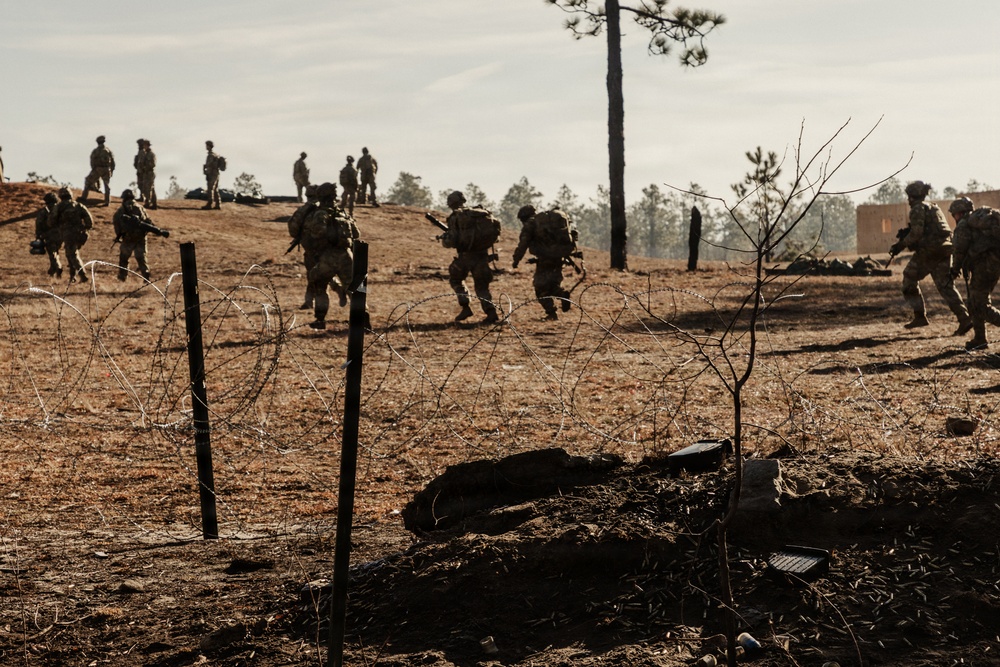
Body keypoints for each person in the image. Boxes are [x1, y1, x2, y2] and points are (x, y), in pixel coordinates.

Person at [891, 180, 971, 334]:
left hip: (929, 251)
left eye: (909, 197)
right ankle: (965, 319)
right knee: (946, 286)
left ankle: (919, 316)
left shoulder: (917, 209)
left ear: (913, 197)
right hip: (944, 250)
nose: (908, 200)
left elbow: (917, 233)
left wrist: (899, 246)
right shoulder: (934, 207)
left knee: (909, 276)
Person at [300, 182, 361, 330]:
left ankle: (320, 319)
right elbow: (357, 234)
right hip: (346, 255)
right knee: (354, 288)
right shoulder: (343, 213)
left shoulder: (321, 214)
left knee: (319, 284)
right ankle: (362, 317)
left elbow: (316, 234)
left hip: (327, 256)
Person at [441, 190, 500, 324]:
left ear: (451, 204)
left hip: (465, 257)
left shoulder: (455, 217)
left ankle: (465, 306)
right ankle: (491, 313)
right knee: (482, 287)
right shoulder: (480, 214)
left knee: (456, 279)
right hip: (482, 256)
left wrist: (445, 239)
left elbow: (452, 242)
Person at [949, 197, 1000, 350]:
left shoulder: (964, 225)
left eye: (954, 214)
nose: (954, 218)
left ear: (959, 213)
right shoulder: (978, 223)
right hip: (991, 264)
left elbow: (959, 250)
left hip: (984, 266)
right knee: (975, 301)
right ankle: (979, 339)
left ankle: (980, 338)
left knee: (979, 304)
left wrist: (954, 269)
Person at [512, 205, 579, 320]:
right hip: (559, 257)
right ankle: (561, 295)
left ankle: (552, 312)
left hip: (545, 259)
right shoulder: (547, 221)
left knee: (540, 288)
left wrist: (516, 259)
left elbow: (523, 244)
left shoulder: (531, 224)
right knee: (552, 284)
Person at [113, 189, 166, 282]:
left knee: (124, 258)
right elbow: (148, 221)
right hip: (141, 237)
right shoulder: (140, 208)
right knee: (141, 258)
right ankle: (146, 275)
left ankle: (122, 277)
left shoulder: (120, 210)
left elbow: (117, 224)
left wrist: (119, 235)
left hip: (128, 238)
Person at [49, 187, 93, 283]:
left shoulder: (59, 206)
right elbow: (89, 220)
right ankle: (72, 276)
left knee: (72, 254)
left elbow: (52, 220)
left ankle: (83, 275)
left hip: (67, 234)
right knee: (70, 254)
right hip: (80, 234)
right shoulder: (78, 205)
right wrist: (85, 228)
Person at [287, 183, 321, 309]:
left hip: (310, 248)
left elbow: (293, 230)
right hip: (328, 248)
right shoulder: (326, 209)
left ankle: (309, 301)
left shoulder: (302, 211)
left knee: (312, 275)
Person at [34, 192, 63, 278]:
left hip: (49, 235)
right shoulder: (60, 210)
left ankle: (57, 267)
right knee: (55, 251)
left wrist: (38, 235)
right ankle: (52, 270)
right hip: (60, 235)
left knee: (52, 252)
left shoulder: (44, 211)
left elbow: (39, 224)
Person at [80, 135, 115, 207]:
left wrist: (93, 169)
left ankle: (84, 197)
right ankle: (107, 201)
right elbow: (113, 162)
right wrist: (111, 170)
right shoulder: (108, 150)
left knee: (88, 181)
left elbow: (92, 161)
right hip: (106, 169)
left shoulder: (96, 151)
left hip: (98, 169)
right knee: (107, 185)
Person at [202, 140, 225, 210]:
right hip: (216, 173)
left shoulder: (211, 155)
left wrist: (206, 172)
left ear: (209, 146)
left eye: (207, 145)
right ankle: (218, 204)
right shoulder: (215, 155)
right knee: (215, 189)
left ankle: (210, 203)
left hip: (212, 173)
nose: (206, 147)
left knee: (210, 189)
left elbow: (210, 165)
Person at [137, 139, 158, 210]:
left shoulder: (151, 154)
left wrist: (145, 167)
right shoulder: (145, 154)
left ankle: (148, 203)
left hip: (150, 172)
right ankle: (153, 203)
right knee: (149, 188)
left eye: (145, 145)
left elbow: (153, 164)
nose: (144, 147)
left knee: (148, 188)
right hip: (146, 173)